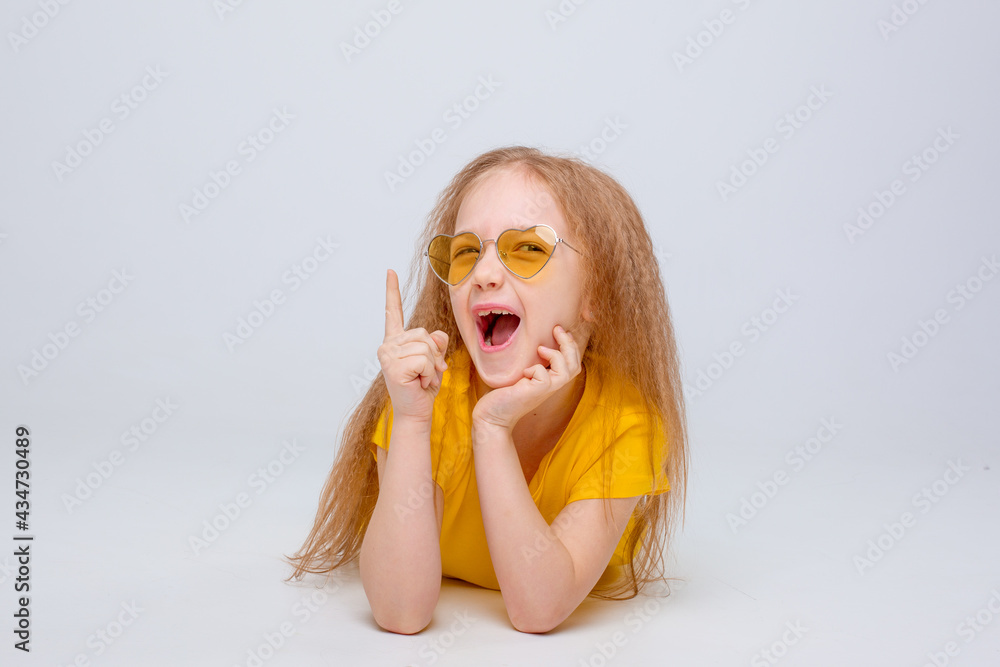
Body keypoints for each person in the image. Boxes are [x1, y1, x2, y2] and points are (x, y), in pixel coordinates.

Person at [285, 146, 688, 635]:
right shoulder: (426, 397)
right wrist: (411, 420)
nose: (485, 274)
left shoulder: (627, 423)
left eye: (529, 249)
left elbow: (538, 609)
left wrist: (492, 428)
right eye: (466, 252)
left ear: (596, 296)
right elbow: (400, 612)